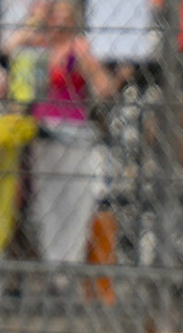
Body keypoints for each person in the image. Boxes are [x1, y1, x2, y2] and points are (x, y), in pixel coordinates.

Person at [14, 0, 111, 264]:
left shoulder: (78, 48)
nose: (58, 22)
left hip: (71, 132)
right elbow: (10, 48)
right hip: (41, 133)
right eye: (53, 16)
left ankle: (68, 264)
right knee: (46, 203)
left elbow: (103, 87)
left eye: (64, 16)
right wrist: (34, 22)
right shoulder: (39, 47)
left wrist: (104, 70)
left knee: (73, 203)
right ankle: (52, 263)